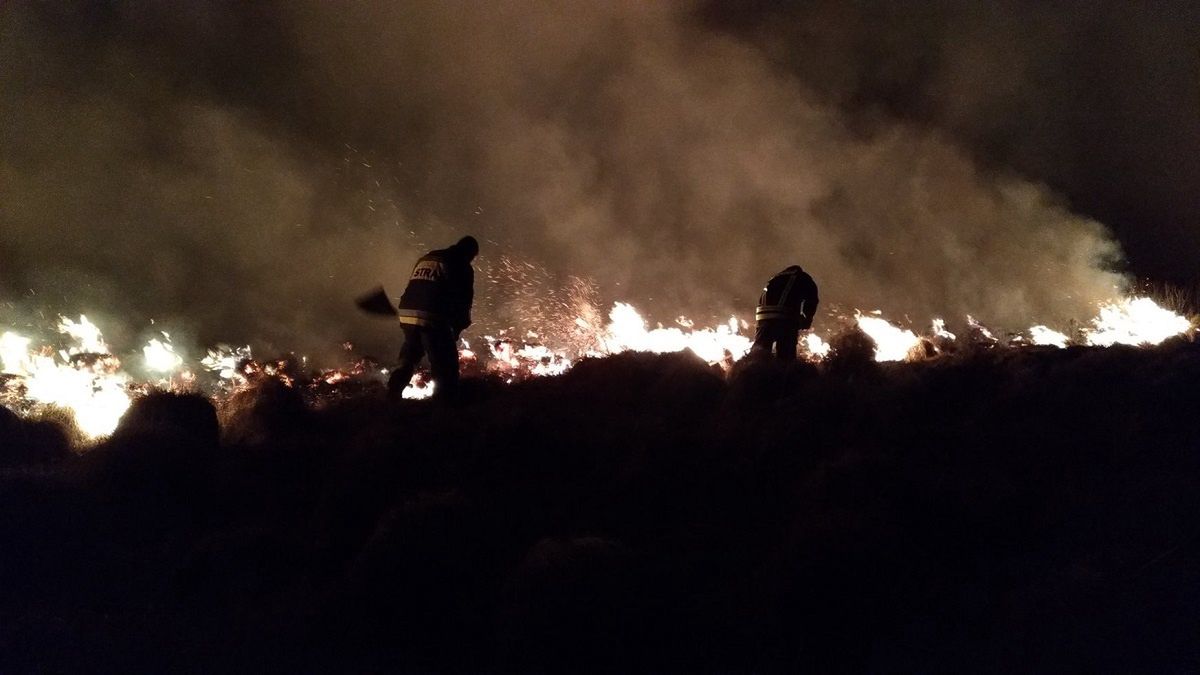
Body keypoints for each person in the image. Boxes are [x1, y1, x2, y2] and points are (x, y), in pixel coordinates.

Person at [387, 236, 478, 399]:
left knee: (410, 355)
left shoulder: (428, 257)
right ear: (470, 253)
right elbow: (464, 300)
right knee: (444, 362)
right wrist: (458, 327)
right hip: (432, 316)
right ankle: (444, 403)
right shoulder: (461, 264)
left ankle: (392, 393)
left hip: (407, 313)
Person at [752, 265, 819, 361]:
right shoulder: (803, 277)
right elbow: (812, 300)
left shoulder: (775, 277)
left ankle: (753, 371)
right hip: (784, 317)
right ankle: (784, 372)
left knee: (760, 352)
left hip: (762, 318)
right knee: (785, 355)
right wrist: (807, 319)